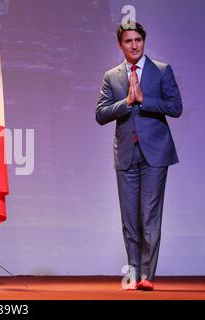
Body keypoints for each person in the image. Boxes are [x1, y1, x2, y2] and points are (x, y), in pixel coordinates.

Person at [96, 22, 182, 291]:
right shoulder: (112, 76)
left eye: (138, 40)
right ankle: (133, 275)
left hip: (155, 154)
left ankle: (147, 276)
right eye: (128, 41)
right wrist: (127, 103)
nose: (134, 45)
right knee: (130, 220)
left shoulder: (161, 70)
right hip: (125, 155)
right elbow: (100, 114)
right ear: (120, 45)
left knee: (149, 217)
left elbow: (176, 107)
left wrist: (144, 100)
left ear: (144, 41)